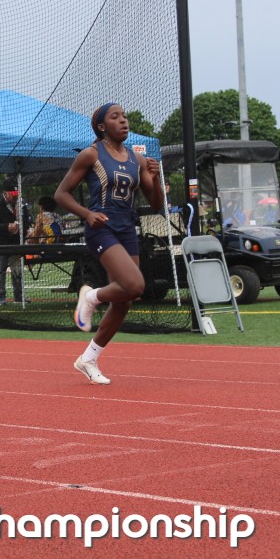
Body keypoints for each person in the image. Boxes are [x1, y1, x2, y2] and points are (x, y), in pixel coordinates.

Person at [54, 102, 163, 385]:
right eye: (116, 117)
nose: (124, 121)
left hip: (127, 229)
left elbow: (156, 203)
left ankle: (88, 359)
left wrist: (156, 178)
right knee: (135, 285)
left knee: (125, 301)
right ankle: (90, 296)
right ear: (102, 126)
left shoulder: (137, 160)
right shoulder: (91, 154)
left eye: (125, 116)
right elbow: (61, 194)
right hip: (101, 228)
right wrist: (87, 214)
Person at [0, 183, 27, 305]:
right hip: (2, 243)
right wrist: (7, 227)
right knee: (0, 271)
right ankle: (1, 297)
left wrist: (23, 228)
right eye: (13, 194)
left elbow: (26, 220)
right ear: (5, 193)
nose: (15, 197)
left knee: (17, 270)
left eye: (16, 194)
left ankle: (18, 295)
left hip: (16, 242)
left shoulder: (21, 205)